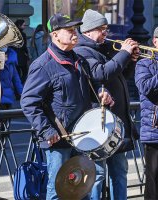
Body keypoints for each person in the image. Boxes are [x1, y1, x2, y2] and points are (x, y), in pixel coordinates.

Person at [20, 13, 115, 200]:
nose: (75, 34)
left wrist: (102, 92)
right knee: (57, 191)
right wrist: (47, 131)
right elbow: (28, 102)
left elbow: (94, 83)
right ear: (55, 35)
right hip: (58, 140)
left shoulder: (78, 58)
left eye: (75, 29)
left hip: (82, 137)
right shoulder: (42, 65)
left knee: (82, 189)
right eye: (70, 30)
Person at [73, 9, 140, 200]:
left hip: (117, 123)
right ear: (88, 31)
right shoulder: (82, 51)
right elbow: (101, 73)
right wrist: (124, 54)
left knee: (120, 172)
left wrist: (131, 60)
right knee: (97, 175)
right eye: (101, 29)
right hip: (99, 125)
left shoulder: (103, 48)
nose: (106, 33)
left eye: (106, 29)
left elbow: (120, 76)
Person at [135, 27, 158, 200]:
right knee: (153, 181)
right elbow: (146, 87)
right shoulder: (144, 63)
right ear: (156, 41)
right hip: (154, 131)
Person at [0, 47, 23, 130]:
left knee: (5, 128)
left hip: (8, 98)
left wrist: (22, 93)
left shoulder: (11, 60)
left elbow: (16, 78)